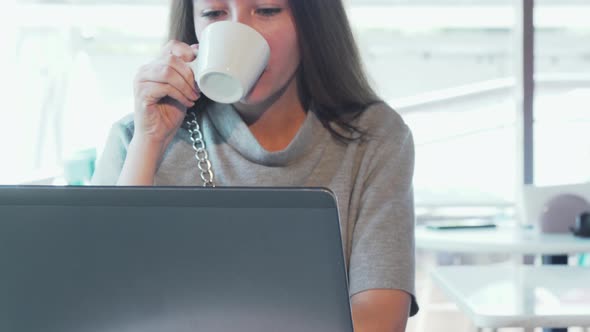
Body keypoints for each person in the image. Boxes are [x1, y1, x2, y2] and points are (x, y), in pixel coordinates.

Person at [92, 0, 418, 330]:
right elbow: (95, 305)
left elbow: (379, 321)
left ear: (312, 20)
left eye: (266, 10)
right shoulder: (137, 138)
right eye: (214, 14)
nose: (240, 30)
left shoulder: (374, 137)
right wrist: (149, 143)